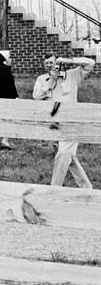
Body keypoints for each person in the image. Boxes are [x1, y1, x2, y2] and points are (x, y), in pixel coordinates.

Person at [33, 54, 96, 188]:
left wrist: (69, 60)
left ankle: (54, 188)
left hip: (71, 121)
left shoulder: (72, 75)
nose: (51, 66)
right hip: (53, 123)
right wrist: (51, 81)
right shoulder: (42, 79)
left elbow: (90, 63)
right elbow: (37, 96)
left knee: (63, 154)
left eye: (53, 63)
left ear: (59, 63)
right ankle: (87, 188)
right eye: (47, 63)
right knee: (68, 157)